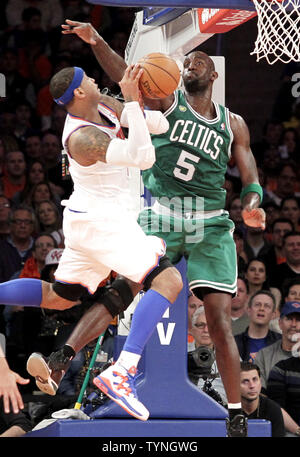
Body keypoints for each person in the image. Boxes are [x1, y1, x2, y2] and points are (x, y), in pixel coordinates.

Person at [48, 19, 267, 437]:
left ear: (215, 74)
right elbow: (126, 79)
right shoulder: (168, 102)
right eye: (187, 59)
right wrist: (96, 41)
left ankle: (236, 410)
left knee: (219, 318)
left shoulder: (233, 123)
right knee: (123, 289)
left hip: (209, 221)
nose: (192, 61)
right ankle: (64, 355)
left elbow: (250, 177)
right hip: (162, 211)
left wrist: (253, 204)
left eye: (200, 58)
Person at [0, 64, 183, 422]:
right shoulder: (82, 138)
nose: (98, 81)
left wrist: (136, 106)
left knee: (62, 295)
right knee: (168, 281)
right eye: (90, 80)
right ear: (79, 94)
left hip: (90, 220)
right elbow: (143, 156)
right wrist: (132, 102)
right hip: (105, 224)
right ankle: (123, 371)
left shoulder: (103, 104)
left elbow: (159, 124)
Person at [255, 300, 300, 391]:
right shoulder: (264, 354)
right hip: (272, 403)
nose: (293, 325)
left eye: (298, 320)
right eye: (289, 319)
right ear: (280, 323)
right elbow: (259, 392)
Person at [240, 362, 284, 437]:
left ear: (260, 382)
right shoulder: (228, 410)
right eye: (245, 381)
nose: (252, 386)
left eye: (255, 379)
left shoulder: (273, 409)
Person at [234, 290, 281, 362]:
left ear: (273, 314)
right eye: (257, 304)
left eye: (267, 306)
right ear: (249, 310)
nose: (261, 309)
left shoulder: (281, 342)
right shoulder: (234, 343)